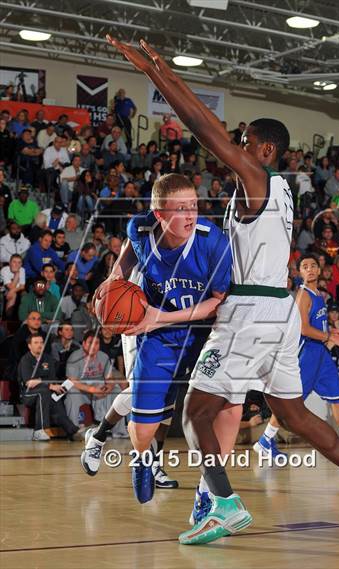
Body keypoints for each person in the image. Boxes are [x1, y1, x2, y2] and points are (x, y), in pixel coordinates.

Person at [107, 35, 339, 544]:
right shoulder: (277, 187)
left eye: (243, 142)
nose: (234, 147)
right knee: (291, 413)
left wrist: (159, 74)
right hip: (277, 310)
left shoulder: (258, 176)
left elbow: (204, 128)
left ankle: (223, 504)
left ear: (264, 149)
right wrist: (162, 70)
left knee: (194, 411)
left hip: (250, 311)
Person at [81, 173, 235, 495]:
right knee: (146, 395)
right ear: (159, 215)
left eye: (194, 205)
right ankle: (118, 445)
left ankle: (154, 460)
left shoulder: (212, 240)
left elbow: (216, 302)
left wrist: (162, 317)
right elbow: (129, 250)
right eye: (182, 208)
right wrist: (114, 278)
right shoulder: (140, 228)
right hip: (142, 320)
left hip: (192, 327)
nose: (191, 214)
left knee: (180, 398)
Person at [254, 254, 339, 459]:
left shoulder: (319, 294)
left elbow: (318, 325)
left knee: (337, 396)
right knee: (292, 404)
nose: (310, 269)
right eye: (305, 266)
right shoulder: (303, 295)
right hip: (307, 355)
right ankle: (265, 440)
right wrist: (330, 336)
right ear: (300, 272)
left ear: (319, 270)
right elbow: (303, 329)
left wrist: (333, 332)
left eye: (313, 265)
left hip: (321, 353)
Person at [64, 330, 127, 436]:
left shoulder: (103, 356)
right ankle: (74, 431)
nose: (94, 346)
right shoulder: (75, 357)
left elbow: (109, 377)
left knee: (117, 391)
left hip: (98, 388)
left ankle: (119, 432)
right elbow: (72, 380)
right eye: (90, 342)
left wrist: (109, 387)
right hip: (82, 390)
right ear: (84, 343)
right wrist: (92, 390)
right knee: (72, 392)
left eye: (97, 343)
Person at [18, 334, 79, 441]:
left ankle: (72, 431)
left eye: (41, 342)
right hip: (27, 394)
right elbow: (29, 383)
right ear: (29, 346)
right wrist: (45, 382)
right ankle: (39, 430)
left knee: (54, 397)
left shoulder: (48, 359)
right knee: (45, 392)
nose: (39, 345)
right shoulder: (26, 360)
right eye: (36, 343)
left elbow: (52, 379)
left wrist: (45, 383)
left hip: (45, 392)